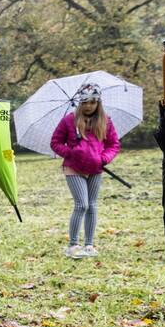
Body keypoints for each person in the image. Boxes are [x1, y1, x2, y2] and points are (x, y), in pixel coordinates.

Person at [49, 84, 121, 259]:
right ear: (80, 102)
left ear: (98, 103)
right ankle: (73, 245)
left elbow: (113, 145)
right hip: (73, 168)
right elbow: (55, 142)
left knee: (92, 206)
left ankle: (89, 244)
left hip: (96, 168)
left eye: (93, 102)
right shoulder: (69, 120)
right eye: (86, 102)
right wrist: (71, 153)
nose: (89, 105)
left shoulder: (106, 121)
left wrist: (103, 158)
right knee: (82, 204)